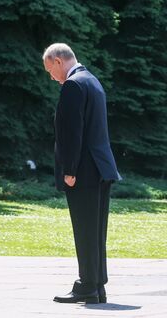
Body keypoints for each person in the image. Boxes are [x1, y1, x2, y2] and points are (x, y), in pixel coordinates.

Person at [42, 43, 121, 304]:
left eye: (49, 70)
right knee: (96, 230)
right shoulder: (93, 81)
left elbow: (72, 132)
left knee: (85, 229)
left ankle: (87, 285)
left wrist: (69, 170)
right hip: (101, 167)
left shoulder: (73, 85)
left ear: (57, 61)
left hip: (84, 170)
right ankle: (97, 285)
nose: (50, 76)